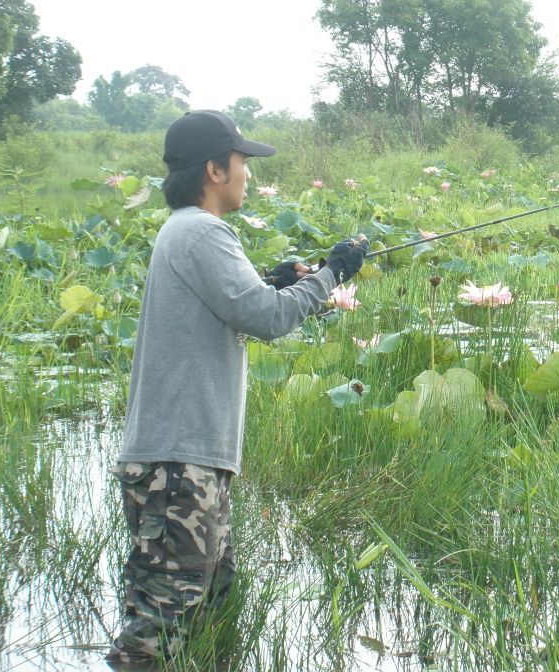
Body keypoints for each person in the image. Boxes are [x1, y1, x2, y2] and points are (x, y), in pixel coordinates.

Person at [106, 110, 367, 665]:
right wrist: (333, 273)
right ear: (214, 170)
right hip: (179, 462)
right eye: (242, 162)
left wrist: (270, 282)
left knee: (212, 602)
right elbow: (268, 320)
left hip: (187, 460)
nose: (248, 173)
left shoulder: (183, 231)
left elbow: (244, 306)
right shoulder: (201, 230)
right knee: (158, 626)